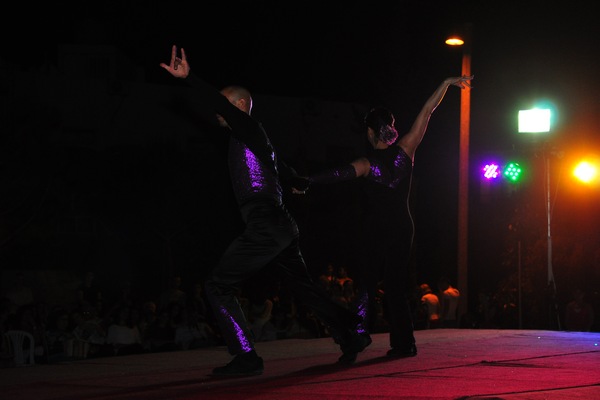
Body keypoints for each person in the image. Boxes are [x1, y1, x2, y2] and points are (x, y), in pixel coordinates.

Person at [159, 45, 370, 376]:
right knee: (304, 289)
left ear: (241, 106)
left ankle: (246, 356)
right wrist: (297, 181)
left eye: (225, 103)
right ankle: (352, 333)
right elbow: (281, 167)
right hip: (280, 225)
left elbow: (270, 159)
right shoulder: (254, 138)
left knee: (217, 285)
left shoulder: (247, 127)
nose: (217, 110)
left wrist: (190, 78)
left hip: (266, 223)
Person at [293, 76, 473, 357]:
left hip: (377, 229)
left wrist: (307, 181)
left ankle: (359, 336)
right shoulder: (407, 150)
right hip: (403, 227)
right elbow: (428, 110)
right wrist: (447, 83)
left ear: (369, 132)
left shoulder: (366, 163)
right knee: (395, 286)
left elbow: (337, 174)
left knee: (367, 283)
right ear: (389, 128)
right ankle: (404, 344)